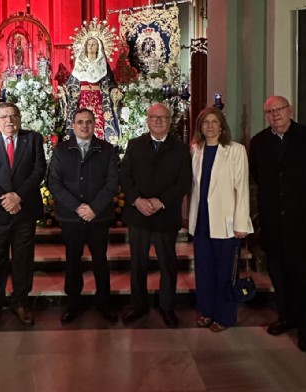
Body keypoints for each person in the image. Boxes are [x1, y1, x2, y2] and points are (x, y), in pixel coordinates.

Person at [249, 96, 306, 353]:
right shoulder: (259, 142)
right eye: (270, 111)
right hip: (274, 224)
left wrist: (304, 197)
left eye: (279, 109)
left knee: (304, 280)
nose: (275, 115)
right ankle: (285, 318)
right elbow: (257, 176)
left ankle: (305, 328)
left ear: (290, 111)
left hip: (304, 224)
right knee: (280, 276)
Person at [119, 102, 191, 327]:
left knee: (167, 265)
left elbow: (184, 181)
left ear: (170, 121)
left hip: (165, 215)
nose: (158, 121)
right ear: (147, 121)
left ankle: (167, 307)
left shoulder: (180, 149)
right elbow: (124, 176)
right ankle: (138, 306)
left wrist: (161, 201)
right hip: (138, 215)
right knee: (137, 264)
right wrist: (137, 200)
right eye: (153, 117)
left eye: (163, 117)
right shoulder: (135, 145)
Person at [0, 101, 46, 330]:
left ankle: (21, 303)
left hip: (24, 210)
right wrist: (6, 200)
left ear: (20, 118)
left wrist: (18, 197)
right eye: (4, 116)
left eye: (14, 116)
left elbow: (39, 171)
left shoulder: (33, 139)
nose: (9, 121)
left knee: (23, 260)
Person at [48, 108, 119, 324]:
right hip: (71, 217)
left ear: (94, 124)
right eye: (80, 122)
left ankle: (104, 303)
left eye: (89, 122)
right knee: (72, 261)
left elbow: (112, 183)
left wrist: (94, 208)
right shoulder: (61, 150)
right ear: (73, 124)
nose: (84, 126)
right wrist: (77, 207)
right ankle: (73, 304)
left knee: (100, 260)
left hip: (98, 217)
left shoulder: (106, 150)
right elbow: (54, 183)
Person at [188, 107, 253, 332]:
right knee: (204, 271)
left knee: (224, 272)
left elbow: (242, 189)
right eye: (205, 122)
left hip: (226, 223)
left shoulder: (236, 150)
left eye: (214, 122)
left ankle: (224, 316)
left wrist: (241, 224)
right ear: (200, 126)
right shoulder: (196, 149)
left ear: (222, 126)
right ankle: (206, 311)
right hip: (201, 222)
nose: (210, 126)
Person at [63, 35, 122, 145]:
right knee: (82, 121)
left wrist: (114, 90)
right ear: (85, 47)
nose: (91, 46)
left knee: (98, 122)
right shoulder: (79, 65)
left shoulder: (103, 65)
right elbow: (71, 84)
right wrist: (63, 91)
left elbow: (110, 83)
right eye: (89, 44)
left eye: (94, 44)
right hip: (82, 99)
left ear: (98, 47)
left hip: (98, 100)